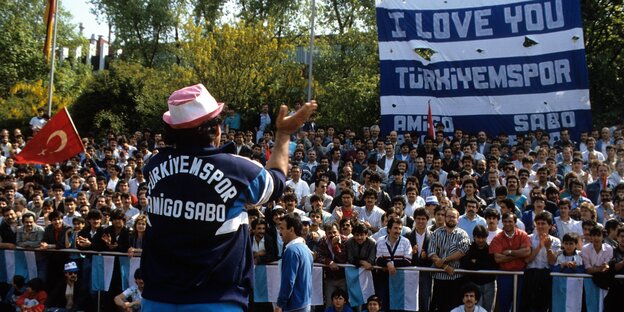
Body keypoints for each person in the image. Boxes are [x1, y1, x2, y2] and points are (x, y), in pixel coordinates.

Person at [141, 84, 316, 311]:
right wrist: (283, 134)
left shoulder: (154, 166)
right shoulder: (238, 171)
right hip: (217, 300)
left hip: (157, 299)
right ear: (216, 130)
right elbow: (277, 182)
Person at [427, 208, 471, 312]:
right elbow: (431, 252)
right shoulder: (436, 233)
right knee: (439, 308)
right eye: (449, 216)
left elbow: (463, 251)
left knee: (454, 308)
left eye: (453, 217)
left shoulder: (462, 234)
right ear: (445, 217)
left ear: (457, 219)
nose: (451, 219)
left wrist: (445, 260)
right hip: (439, 278)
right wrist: (445, 266)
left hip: (456, 278)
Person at [489, 212, 531, 312]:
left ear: (515, 222)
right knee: (504, 304)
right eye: (505, 221)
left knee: (520, 304)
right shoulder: (498, 238)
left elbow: (527, 252)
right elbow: (498, 258)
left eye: (510, 221)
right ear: (502, 222)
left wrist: (510, 252)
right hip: (505, 275)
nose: (507, 224)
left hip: (521, 274)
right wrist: (518, 255)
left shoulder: (522, 235)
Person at [276, 213, 313, 312]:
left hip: (294, 306)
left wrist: (279, 304)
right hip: (304, 303)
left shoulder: (291, 251)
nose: (280, 232)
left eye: (282, 228)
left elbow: (288, 281)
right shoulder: (305, 249)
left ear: (291, 230)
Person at [461, 225, 497, 312]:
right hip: (474, 284)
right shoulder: (469, 249)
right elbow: (466, 265)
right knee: (476, 309)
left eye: (483, 237)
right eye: (478, 237)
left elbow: (494, 266)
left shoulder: (491, 249)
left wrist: (476, 263)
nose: (481, 240)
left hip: (489, 284)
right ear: (474, 237)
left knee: (488, 309)